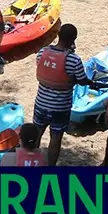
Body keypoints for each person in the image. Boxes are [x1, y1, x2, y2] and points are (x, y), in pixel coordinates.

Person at [32, 24, 85, 165]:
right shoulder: (74, 60)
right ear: (74, 39)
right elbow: (82, 80)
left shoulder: (42, 53)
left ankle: (30, 164)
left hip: (41, 103)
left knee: (35, 136)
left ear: (58, 36)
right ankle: (50, 168)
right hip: (60, 108)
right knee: (55, 139)